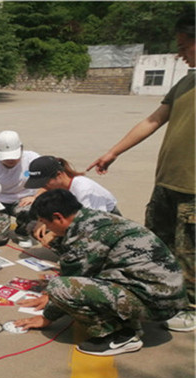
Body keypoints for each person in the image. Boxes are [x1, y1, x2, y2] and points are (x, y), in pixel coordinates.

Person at [87, 13, 195, 332]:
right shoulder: (186, 82)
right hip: (166, 183)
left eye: (183, 44)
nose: (179, 53)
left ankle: (189, 306)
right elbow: (153, 120)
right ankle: (162, 296)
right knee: (157, 244)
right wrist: (113, 152)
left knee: (189, 251)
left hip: (193, 190)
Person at [14, 189, 187, 356]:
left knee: (59, 287)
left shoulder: (86, 236)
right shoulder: (92, 218)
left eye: (46, 223)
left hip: (158, 304)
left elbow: (72, 280)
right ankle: (128, 318)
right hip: (166, 294)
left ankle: (119, 337)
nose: (46, 228)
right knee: (90, 276)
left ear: (58, 217)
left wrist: (47, 317)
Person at [0, 130, 41, 246]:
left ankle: (23, 233)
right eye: (6, 157)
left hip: (24, 200)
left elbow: (49, 181)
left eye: (14, 156)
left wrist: (35, 197)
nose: (11, 160)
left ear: (21, 149)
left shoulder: (32, 159)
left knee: (34, 210)